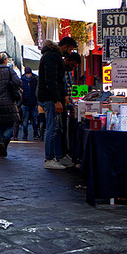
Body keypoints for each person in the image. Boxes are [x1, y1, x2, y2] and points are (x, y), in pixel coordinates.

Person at [38, 36, 78, 170]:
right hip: (50, 99)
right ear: (65, 46)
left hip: (52, 98)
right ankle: (49, 158)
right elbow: (52, 80)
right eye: (71, 49)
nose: (70, 52)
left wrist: (64, 96)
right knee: (52, 128)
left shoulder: (53, 56)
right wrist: (56, 100)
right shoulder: (51, 57)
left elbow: (57, 81)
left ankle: (59, 156)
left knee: (57, 128)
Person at [20, 67, 39, 140]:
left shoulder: (35, 80)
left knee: (34, 120)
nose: (29, 75)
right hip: (25, 103)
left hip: (33, 103)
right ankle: (25, 134)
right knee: (25, 121)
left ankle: (35, 134)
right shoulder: (22, 80)